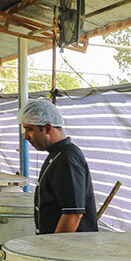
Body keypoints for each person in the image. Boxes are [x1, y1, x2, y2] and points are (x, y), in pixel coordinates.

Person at [17, 98, 98, 234]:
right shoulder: (57, 155)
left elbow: (73, 214)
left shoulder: (67, 159)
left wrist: (54, 245)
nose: (26, 136)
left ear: (48, 128)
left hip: (69, 246)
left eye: (29, 129)